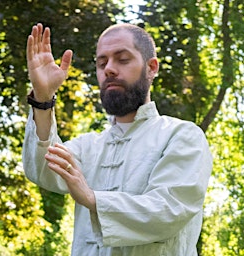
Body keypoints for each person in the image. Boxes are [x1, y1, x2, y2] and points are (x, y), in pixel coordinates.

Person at [23, 22, 212, 256]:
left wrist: (93, 200)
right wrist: (42, 98)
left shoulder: (182, 136)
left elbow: (169, 210)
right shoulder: (87, 146)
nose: (109, 69)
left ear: (151, 68)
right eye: (102, 63)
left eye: (122, 59)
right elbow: (41, 169)